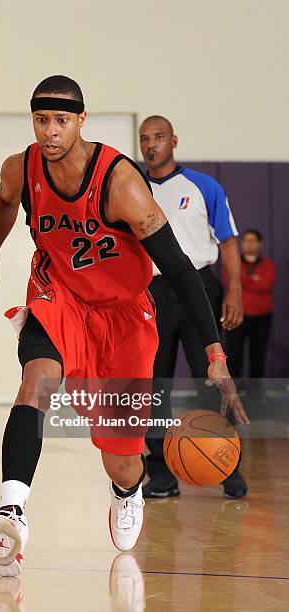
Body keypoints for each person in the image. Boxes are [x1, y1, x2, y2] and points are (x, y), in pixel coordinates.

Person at [0, 76, 248, 577]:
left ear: (81, 121)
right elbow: (3, 204)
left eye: (61, 121)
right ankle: (11, 511)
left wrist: (214, 352)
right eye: (42, 120)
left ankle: (126, 490)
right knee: (37, 381)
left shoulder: (120, 182)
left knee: (123, 459)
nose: (50, 132)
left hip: (122, 317)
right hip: (59, 297)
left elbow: (178, 269)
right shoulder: (20, 167)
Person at [139, 115, 248, 500]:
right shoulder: (130, 185)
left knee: (214, 380)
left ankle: (228, 466)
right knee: (154, 389)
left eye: (159, 137)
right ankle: (162, 474)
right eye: (144, 139)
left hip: (199, 286)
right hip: (150, 292)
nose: (151, 145)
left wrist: (233, 290)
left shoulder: (205, 186)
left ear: (174, 141)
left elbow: (229, 240)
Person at [225, 229, 277, 383]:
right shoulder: (233, 263)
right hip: (237, 316)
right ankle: (234, 392)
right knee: (234, 356)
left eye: (252, 240)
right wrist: (253, 279)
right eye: (246, 240)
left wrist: (243, 280)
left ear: (259, 244)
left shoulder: (268, 264)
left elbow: (266, 285)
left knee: (258, 356)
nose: (248, 244)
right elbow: (230, 280)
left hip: (262, 317)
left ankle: (256, 393)